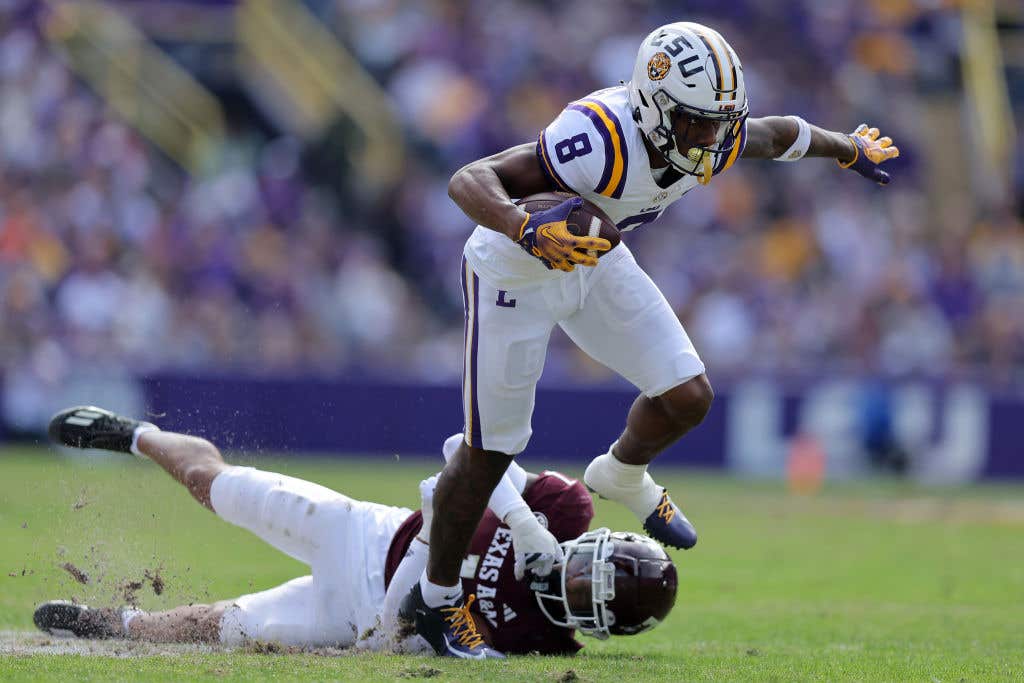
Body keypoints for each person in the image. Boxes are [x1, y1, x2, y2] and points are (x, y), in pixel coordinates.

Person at [409, 20, 901, 657]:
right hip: (514, 268)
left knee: (686, 395)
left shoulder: (713, 135)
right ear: (652, 103)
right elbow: (470, 177)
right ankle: (440, 601)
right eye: (697, 123)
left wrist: (845, 147)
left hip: (593, 255)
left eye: (719, 123)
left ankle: (621, 473)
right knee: (489, 452)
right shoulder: (596, 137)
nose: (711, 138)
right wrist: (526, 228)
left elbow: (779, 133)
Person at [35, 406, 678, 657]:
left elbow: (429, 636)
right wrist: (518, 520)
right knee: (218, 487)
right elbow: (465, 446)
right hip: (364, 535)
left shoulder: (545, 644)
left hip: (366, 619)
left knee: (227, 627)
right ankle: (136, 436)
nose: (566, 575)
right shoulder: (562, 508)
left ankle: (115, 625)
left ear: (591, 624)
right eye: (580, 565)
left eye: (580, 591)